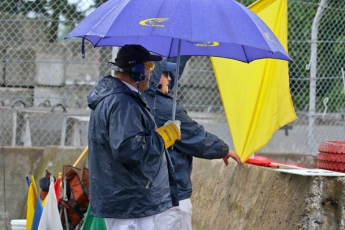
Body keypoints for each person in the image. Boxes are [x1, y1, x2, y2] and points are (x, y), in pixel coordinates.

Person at [87, 44, 182, 230]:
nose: (151, 73)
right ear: (137, 70)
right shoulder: (122, 102)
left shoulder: (118, 97)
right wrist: (165, 136)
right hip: (129, 201)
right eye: (150, 67)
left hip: (126, 199)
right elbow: (130, 149)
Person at [142, 58, 242, 230]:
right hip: (172, 197)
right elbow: (195, 137)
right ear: (153, 76)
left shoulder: (136, 102)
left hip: (146, 194)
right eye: (165, 74)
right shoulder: (167, 110)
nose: (170, 79)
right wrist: (223, 149)